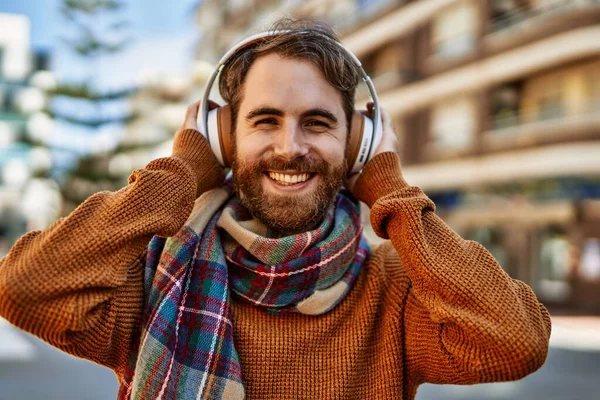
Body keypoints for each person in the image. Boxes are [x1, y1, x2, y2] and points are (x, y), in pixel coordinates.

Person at [0, 19, 550, 400]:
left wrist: (393, 193)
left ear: (357, 144)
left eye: (318, 121)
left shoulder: (395, 288)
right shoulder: (157, 277)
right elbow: (24, 287)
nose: (290, 147)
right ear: (223, 139)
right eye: (264, 120)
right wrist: (181, 174)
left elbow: (516, 340)